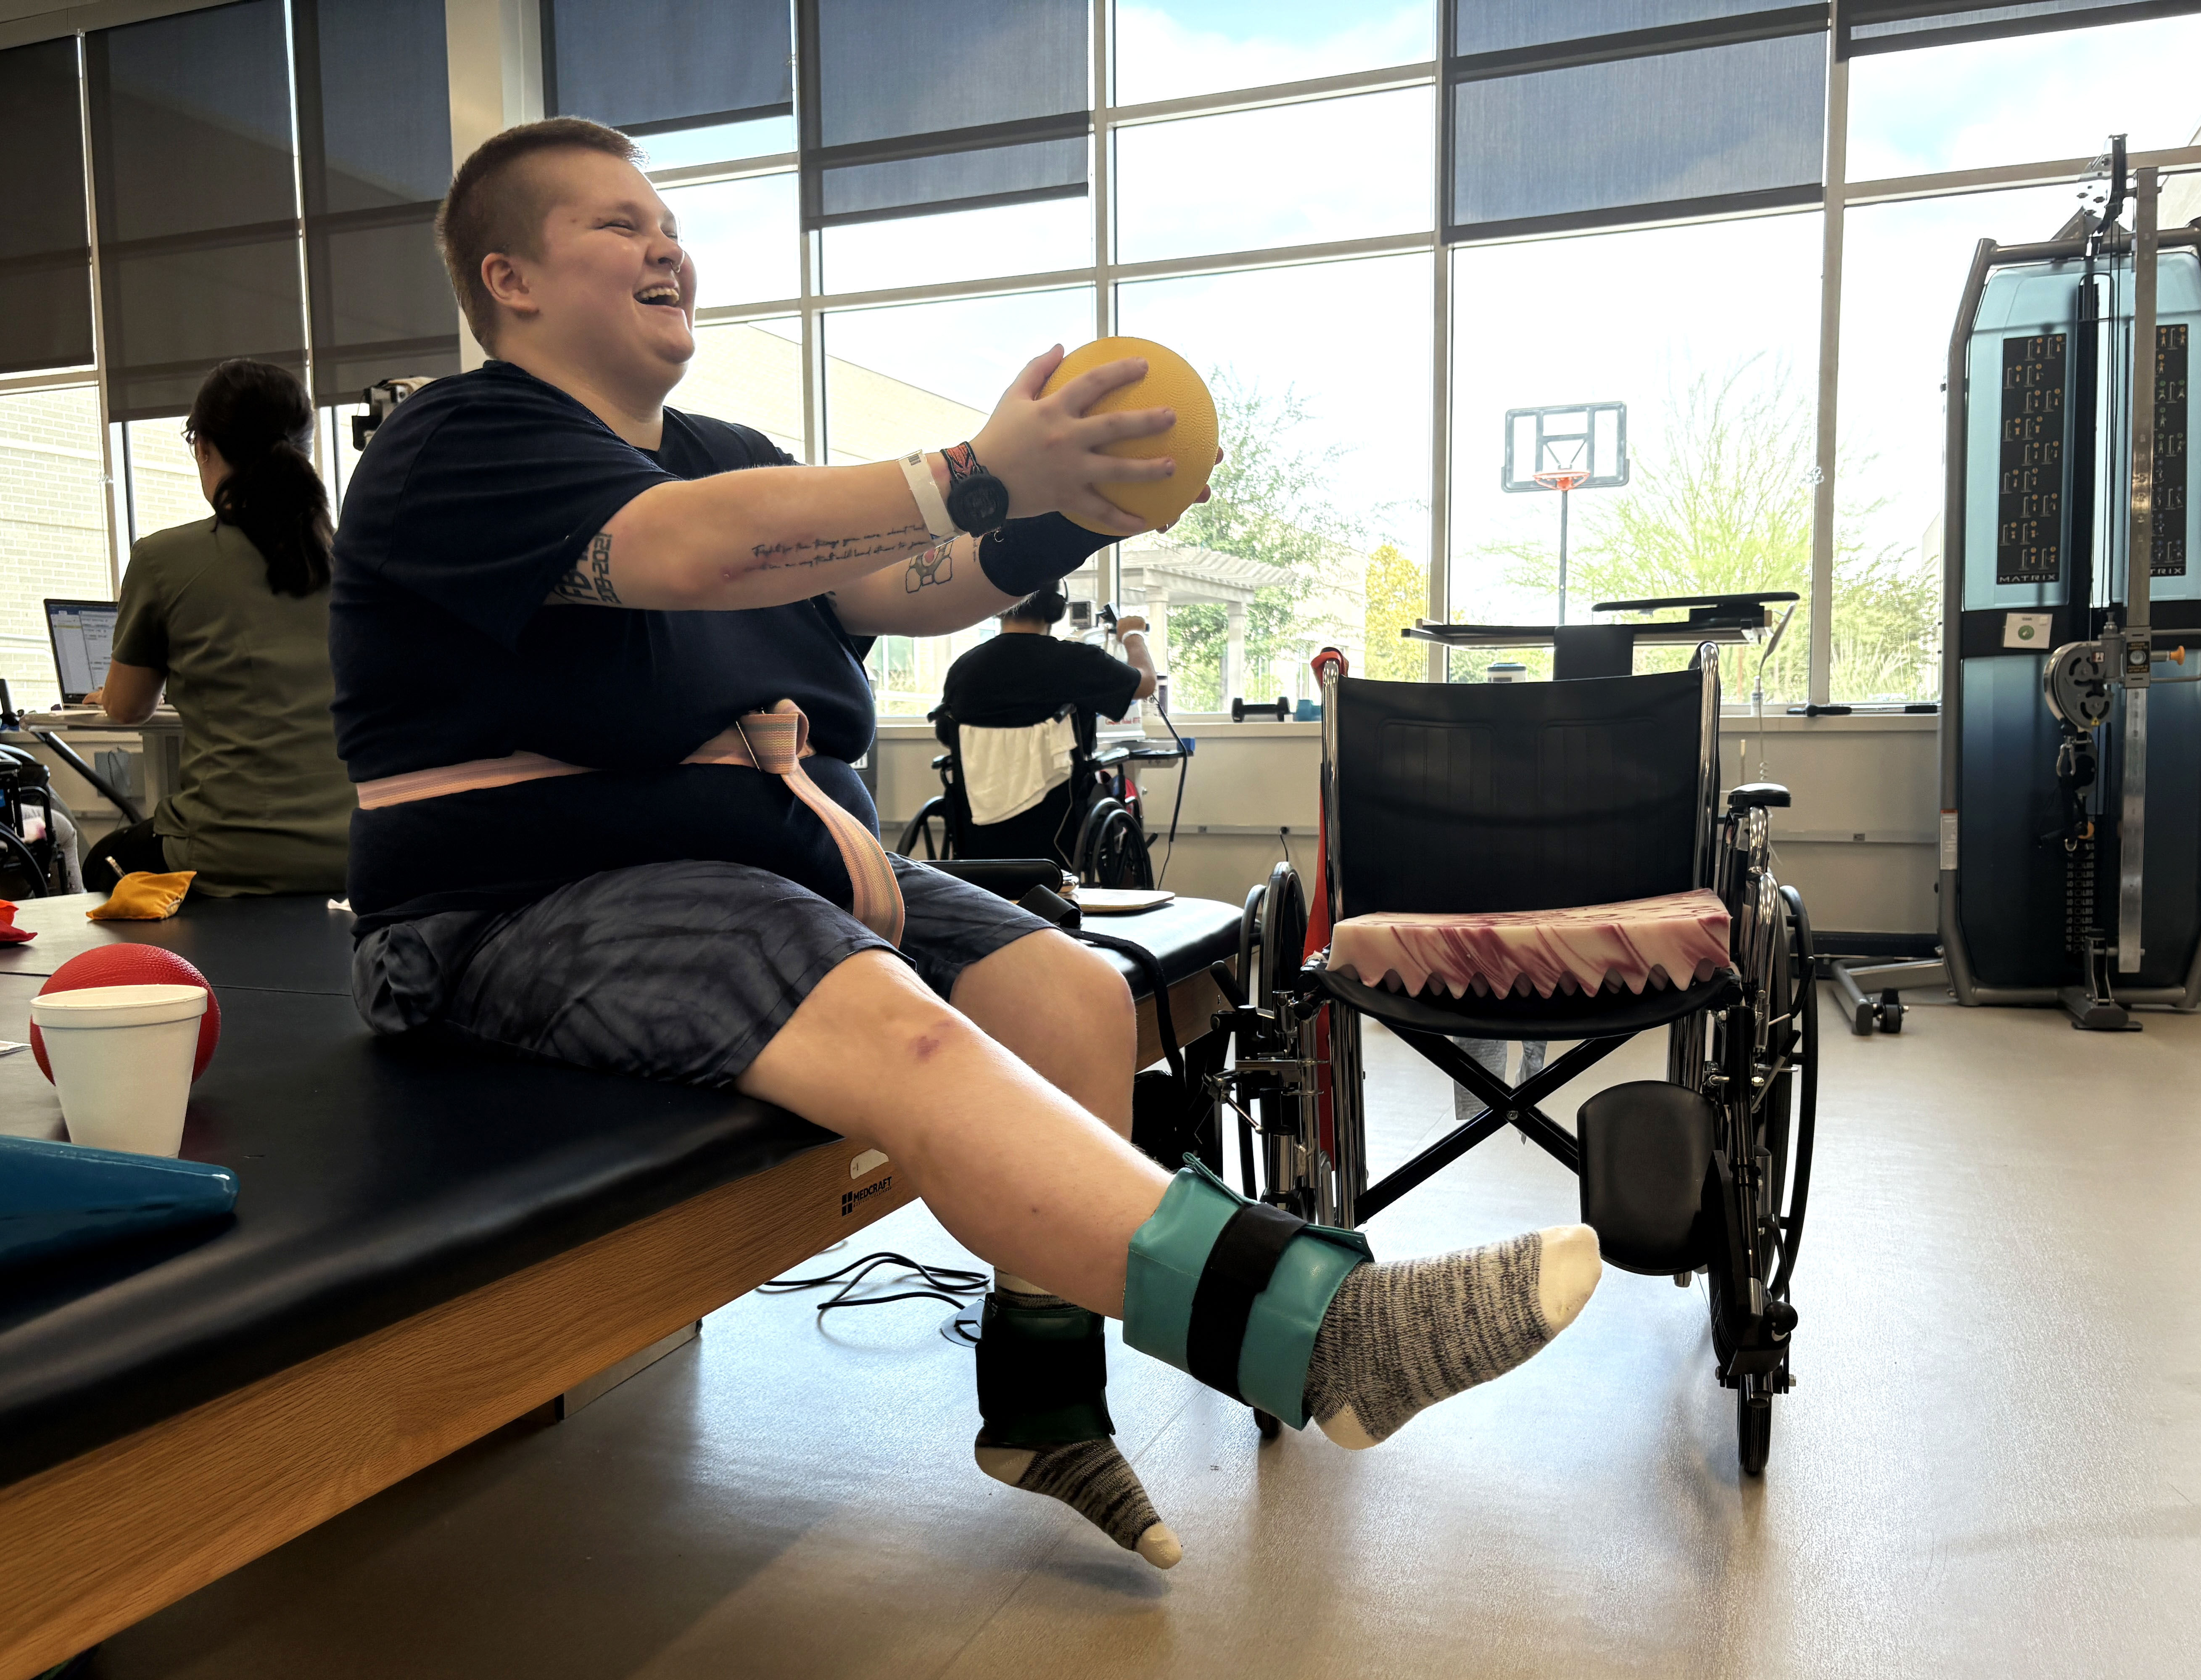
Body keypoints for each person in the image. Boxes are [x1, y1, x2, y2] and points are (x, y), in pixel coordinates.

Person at [333, 117, 1601, 1572]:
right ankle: (1319, 1330)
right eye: (617, 225)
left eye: (669, 219)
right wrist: (970, 465)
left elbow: (908, 581)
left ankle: (1042, 1404)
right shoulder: (459, 442)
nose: (666, 243)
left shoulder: (726, 453)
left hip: (758, 862)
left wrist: (1058, 511)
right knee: (895, 1018)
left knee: (1071, 990)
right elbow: (692, 550)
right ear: (508, 278)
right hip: (515, 904)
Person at [83, 360, 354, 895]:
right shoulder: (356, 558)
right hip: (362, 845)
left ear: (204, 447)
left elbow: (129, 707)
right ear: (302, 447)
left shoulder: (165, 558)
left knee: (102, 864)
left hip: (229, 852)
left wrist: (105, 696)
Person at [935, 590, 1158, 865]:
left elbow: (947, 736)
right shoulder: (1076, 661)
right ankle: (1125, 902)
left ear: (997, 606)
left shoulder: (964, 668)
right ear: (1056, 608)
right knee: (1122, 792)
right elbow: (1146, 683)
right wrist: (1133, 635)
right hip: (1059, 831)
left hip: (976, 836)